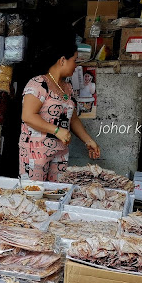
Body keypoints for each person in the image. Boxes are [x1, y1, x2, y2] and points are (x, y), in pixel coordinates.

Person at [19, 29, 100, 181]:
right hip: (36, 155)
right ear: (62, 60)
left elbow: (73, 118)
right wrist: (56, 130)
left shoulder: (67, 87)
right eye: (74, 60)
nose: (76, 65)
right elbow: (28, 116)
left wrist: (88, 140)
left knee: (56, 195)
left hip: (60, 153)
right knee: (35, 195)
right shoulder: (38, 84)